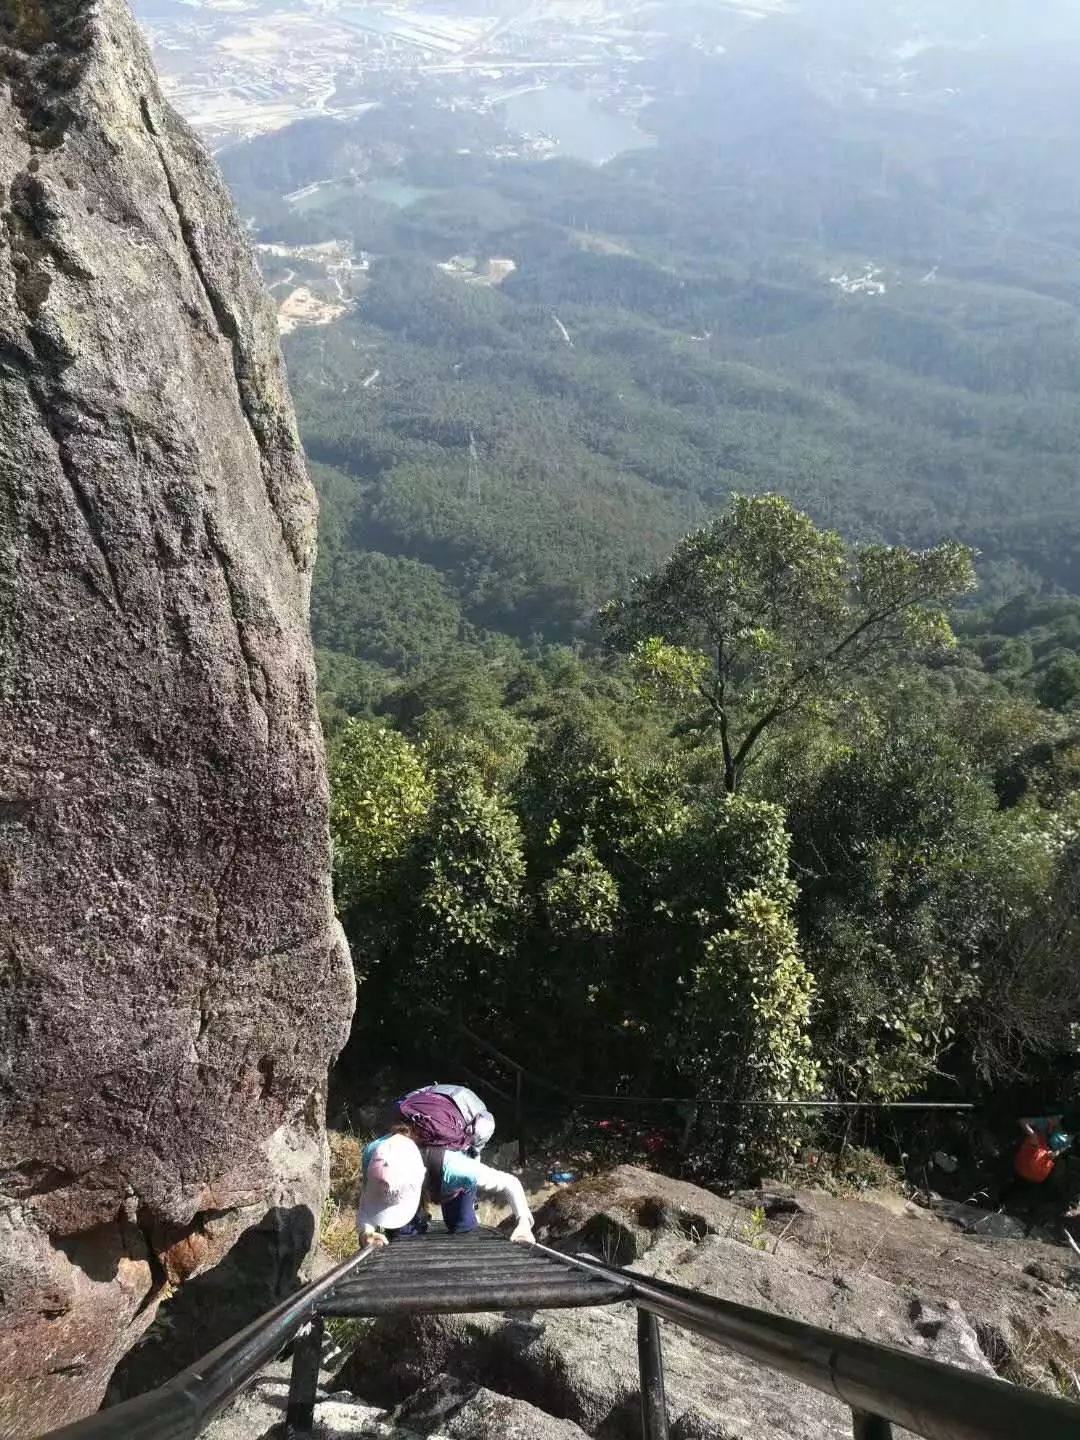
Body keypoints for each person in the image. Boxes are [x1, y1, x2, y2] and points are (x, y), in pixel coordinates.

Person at [357, 1127, 534, 1248]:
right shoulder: (375, 1155)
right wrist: (367, 1233)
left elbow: (510, 1183)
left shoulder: (456, 1168)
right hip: (424, 1176)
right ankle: (418, 1219)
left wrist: (524, 1223)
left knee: (463, 1227)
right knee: (401, 1235)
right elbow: (370, 1198)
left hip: (452, 1183)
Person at [391, 1083, 496, 1157]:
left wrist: (403, 1102)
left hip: (424, 1102)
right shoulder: (454, 1131)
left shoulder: (462, 1133)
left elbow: (428, 1090)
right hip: (431, 1103)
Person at [1013, 1115, 1071, 1186]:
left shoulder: (1067, 1134)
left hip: (1036, 1174)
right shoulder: (1045, 1123)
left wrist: (1057, 1152)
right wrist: (1033, 1135)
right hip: (1026, 1165)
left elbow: (1067, 1145)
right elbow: (1022, 1121)